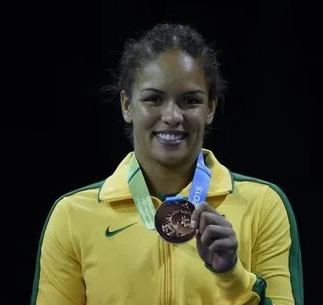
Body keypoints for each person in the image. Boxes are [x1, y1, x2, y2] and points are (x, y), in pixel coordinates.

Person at [30, 23, 304, 305]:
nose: (172, 115)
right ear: (127, 105)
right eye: (154, 99)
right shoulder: (73, 216)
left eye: (190, 100)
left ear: (210, 108)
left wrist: (232, 276)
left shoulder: (262, 206)